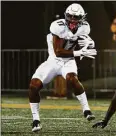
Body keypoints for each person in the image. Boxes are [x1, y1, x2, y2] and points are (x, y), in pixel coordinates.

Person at [29, 3, 97, 132]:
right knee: (34, 85)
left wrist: (90, 43)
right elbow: (58, 52)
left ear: (82, 18)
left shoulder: (85, 28)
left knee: (72, 79)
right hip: (53, 61)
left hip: (69, 61)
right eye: (70, 16)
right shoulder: (58, 26)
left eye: (76, 17)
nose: (72, 20)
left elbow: (83, 41)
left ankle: (87, 110)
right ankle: (36, 120)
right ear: (66, 16)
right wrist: (79, 52)